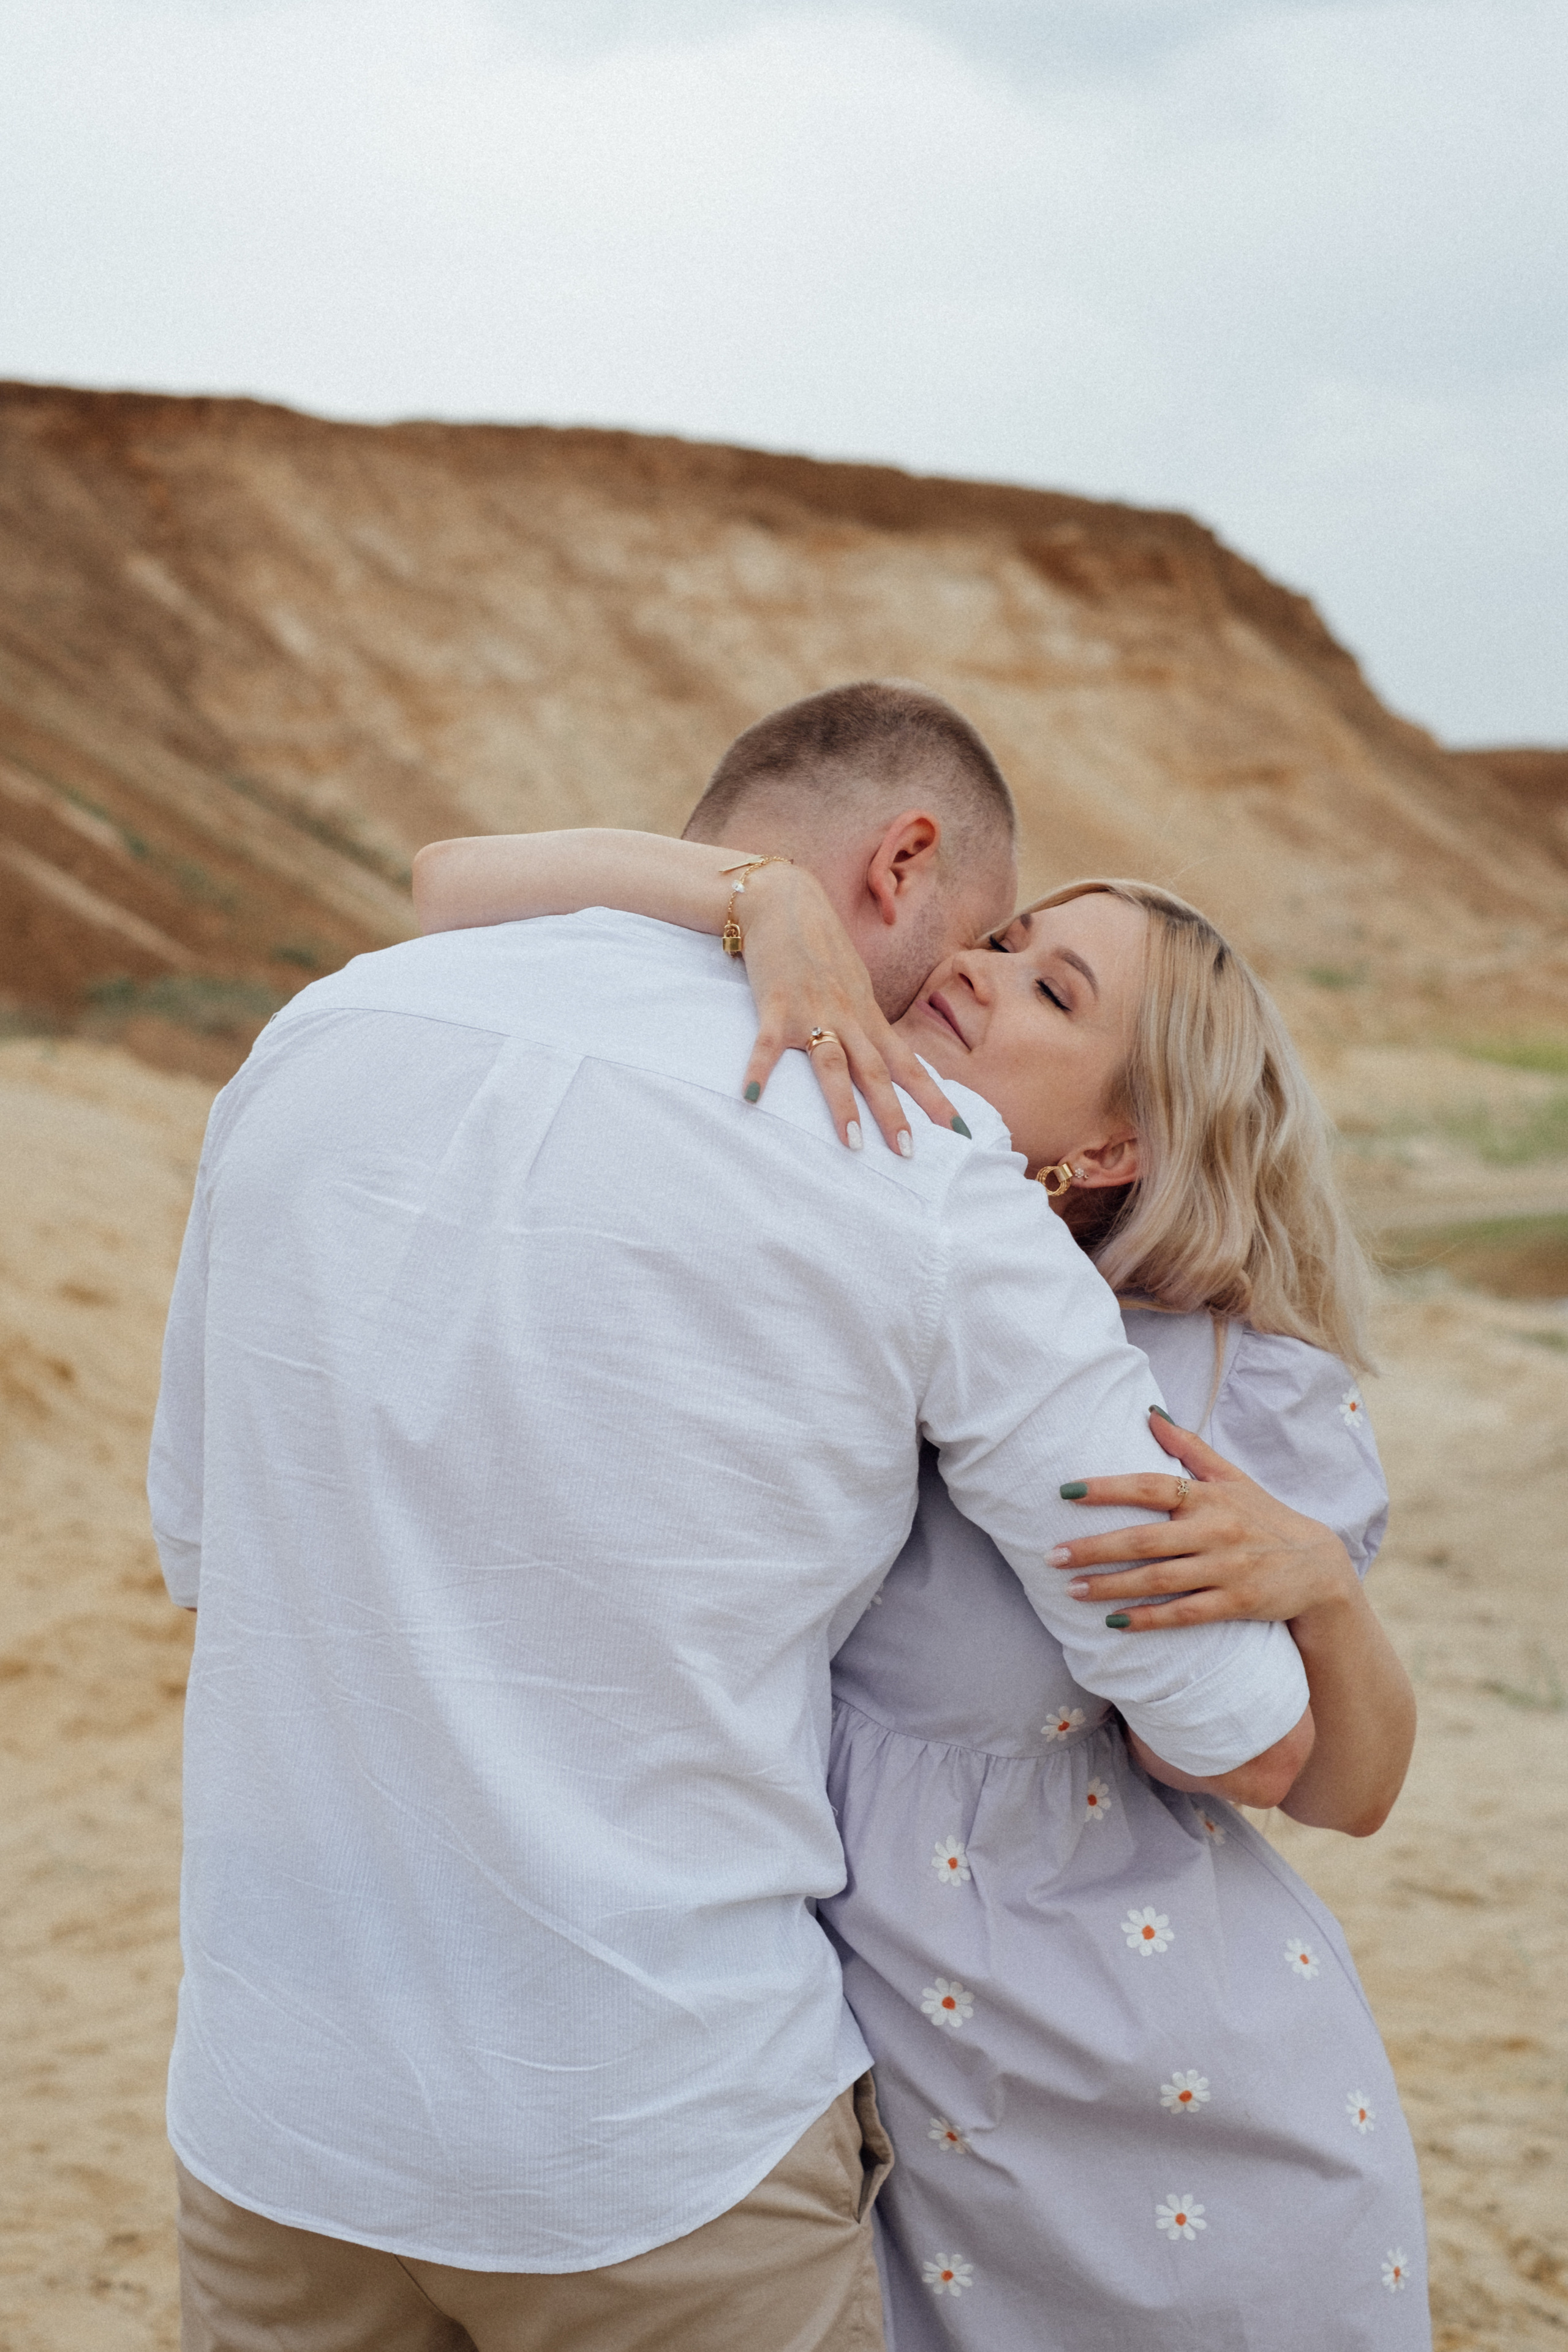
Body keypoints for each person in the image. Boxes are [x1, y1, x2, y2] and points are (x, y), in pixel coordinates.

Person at [149, 682, 1319, 2352]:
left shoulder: (317, 1036)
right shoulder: (915, 1160)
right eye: (978, 941)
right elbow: (1232, 1720)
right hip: (653, 2143)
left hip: (282, 2116)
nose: (953, 997)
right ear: (904, 864)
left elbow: (200, 1545)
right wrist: (1312, 1601)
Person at [415, 799, 1428, 2346]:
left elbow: (1306, 1782)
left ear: (1111, 1145)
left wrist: (1321, 1593)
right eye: (1007, 940)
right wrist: (763, 901)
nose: (984, 970)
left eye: (1053, 992)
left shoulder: (1219, 1384)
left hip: (1155, 2086)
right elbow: (451, 891)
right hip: (859, 2088)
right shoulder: (816, 1209)